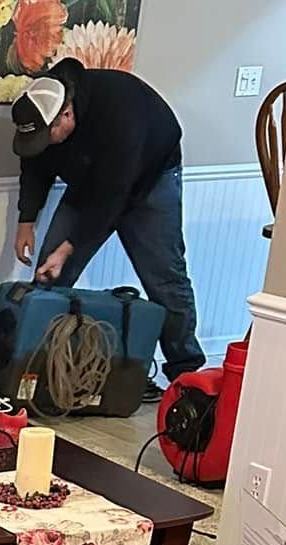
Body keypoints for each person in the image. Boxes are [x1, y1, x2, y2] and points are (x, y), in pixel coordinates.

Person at [11, 60, 205, 381]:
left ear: (67, 115)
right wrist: (26, 222)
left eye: (48, 137)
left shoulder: (119, 113)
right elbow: (34, 167)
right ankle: (30, 370)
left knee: (165, 280)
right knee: (49, 279)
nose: (43, 144)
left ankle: (186, 377)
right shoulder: (39, 112)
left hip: (149, 181)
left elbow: (111, 200)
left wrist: (66, 249)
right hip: (92, 181)